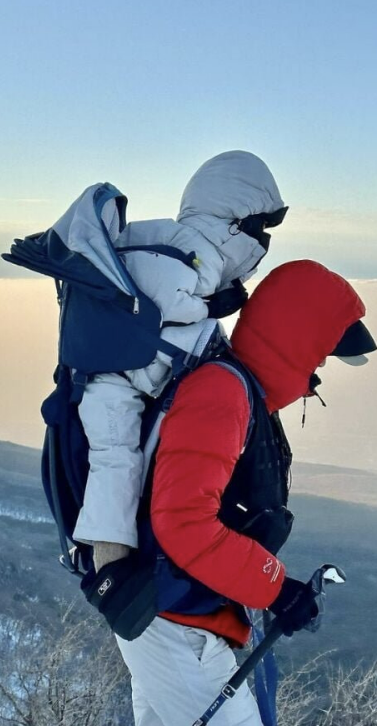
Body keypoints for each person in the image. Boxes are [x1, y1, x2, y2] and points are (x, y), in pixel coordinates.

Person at [109, 260, 377, 726]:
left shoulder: (238, 393)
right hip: (177, 626)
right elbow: (185, 523)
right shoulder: (222, 393)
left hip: (177, 617)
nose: (318, 371)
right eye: (320, 355)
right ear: (297, 342)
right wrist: (276, 588)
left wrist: (274, 590)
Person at [73, 151, 288, 573]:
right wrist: (212, 310)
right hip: (116, 378)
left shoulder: (175, 241)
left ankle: (111, 556)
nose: (263, 241)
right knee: (116, 459)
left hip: (112, 367)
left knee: (116, 460)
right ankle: (109, 568)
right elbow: (170, 307)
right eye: (261, 226)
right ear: (233, 221)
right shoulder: (197, 255)